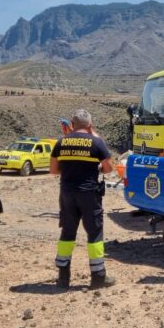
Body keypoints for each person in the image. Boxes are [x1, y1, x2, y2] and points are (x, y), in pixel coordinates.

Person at [50, 109, 115, 290]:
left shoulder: (61, 142)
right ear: (90, 125)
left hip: (67, 193)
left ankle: (63, 278)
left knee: (67, 234)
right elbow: (108, 168)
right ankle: (98, 278)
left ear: (72, 123)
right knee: (94, 234)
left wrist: (70, 170)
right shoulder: (96, 142)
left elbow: (54, 170)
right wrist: (96, 170)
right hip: (89, 194)